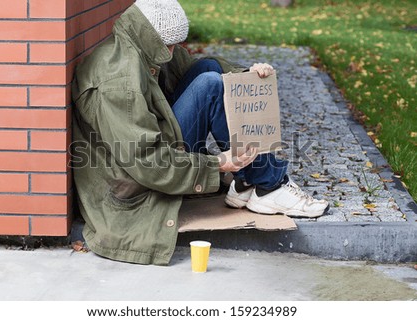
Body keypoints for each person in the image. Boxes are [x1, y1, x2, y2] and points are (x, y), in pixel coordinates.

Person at [71, 0, 328, 265]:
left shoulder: (142, 45)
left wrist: (247, 75)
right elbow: (147, 162)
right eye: (168, 45)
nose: (172, 52)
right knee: (209, 85)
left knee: (210, 70)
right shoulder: (119, 84)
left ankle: (248, 182)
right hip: (138, 183)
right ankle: (268, 184)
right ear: (149, 35)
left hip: (157, 147)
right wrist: (217, 163)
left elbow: (197, 66)